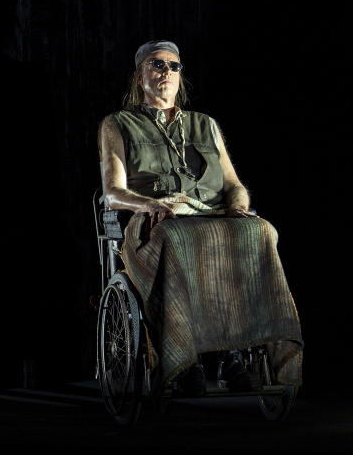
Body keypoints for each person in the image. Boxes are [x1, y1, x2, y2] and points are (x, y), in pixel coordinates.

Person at [98, 40, 302, 395]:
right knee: (179, 238)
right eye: (156, 64)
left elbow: (234, 185)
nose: (166, 72)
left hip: (210, 218)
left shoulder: (205, 125)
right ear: (140, 75)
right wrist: (149, 205)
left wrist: (239, 205)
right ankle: (183, 360)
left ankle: (238, 354)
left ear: (181, 76)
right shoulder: (118, 124)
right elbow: (113, 191)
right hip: (156, 224)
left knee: (262, 231)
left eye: (174, 66)